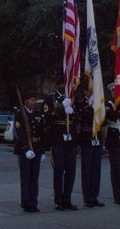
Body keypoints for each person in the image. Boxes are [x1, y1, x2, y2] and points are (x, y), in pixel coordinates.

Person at [43, 76, 78, 211]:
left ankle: (67, 199)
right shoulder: (50, 99)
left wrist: (73, 112)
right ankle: (58, 200)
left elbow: (79, 117)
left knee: (71, 171)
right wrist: (61, 108)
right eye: (62, 83)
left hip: (71, 139)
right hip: (58, 139)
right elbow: (47, 118)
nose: (64, 85)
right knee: (59, 171)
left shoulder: (73, 98)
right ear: (57, 84)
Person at [14, 92, 46, 213]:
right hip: (25, 151)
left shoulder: (38, 115)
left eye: (34, 100)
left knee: (34, 177)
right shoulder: (19, 114)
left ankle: (33, 202)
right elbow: (20, 133)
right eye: (31, 100)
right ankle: (26, 202)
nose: (33, 102)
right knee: (26, 177)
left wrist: (42, 150)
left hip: (36, 148)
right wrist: (26, 149)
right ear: (26, 101)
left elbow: (42, 133)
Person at [75, 86, 104, 208]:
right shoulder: (80, 103)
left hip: (97, 138)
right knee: (87, 170)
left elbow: (104, 121)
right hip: (87, 139)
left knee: (96, 170)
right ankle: (87, 197)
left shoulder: (100, 102)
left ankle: (94, 196)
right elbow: (82, 118)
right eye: (89, 89)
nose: (92, 91)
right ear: (85, 91)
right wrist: (89, 106)